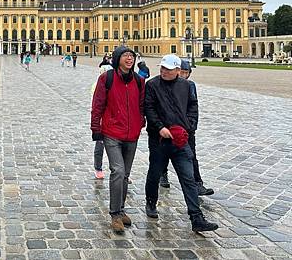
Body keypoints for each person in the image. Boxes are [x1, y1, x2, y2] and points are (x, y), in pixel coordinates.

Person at [144, 54, 218, 232]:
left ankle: (196, 217)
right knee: (155, 174)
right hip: (159, 140)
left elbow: (193, 106)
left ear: (178, 70)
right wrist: (160, 127)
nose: (163, 71)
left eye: (168, 69)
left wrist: (190, 126)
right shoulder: (152, 85)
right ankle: (151, 202)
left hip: (181, 140)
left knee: (188, 178)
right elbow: (149, 108)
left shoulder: (186, 86)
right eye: (162, 68)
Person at [91, 46, 145, 234]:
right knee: (118, 171)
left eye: (132, 56)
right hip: (112, 132)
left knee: (125, 175)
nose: (130, 59)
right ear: (117, 59)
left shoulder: (139, 80)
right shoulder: (107, 78)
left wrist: (140, 123)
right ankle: (115, 214)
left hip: (132, 134)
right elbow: (97, 104)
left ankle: (120, 210)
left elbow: (141, 105)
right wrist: (95, 128)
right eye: (126, 56)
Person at [161, 60, 214, 196]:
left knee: (191, 156)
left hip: (186, 128)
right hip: (169, 127)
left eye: (186, 72)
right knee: (164, 155)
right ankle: (163, 175)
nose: (184, 75)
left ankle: (198, 184)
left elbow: (193, 105)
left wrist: (191, 126)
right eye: (182, 72)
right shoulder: (164, 83)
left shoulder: (190, 85)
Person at [90, 63, 114, 180]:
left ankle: (119, 171)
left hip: (114, 120)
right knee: (100, 145)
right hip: (101, 120)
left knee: (117, 148)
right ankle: (98, 168)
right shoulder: (97, 85)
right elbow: (96, 104)